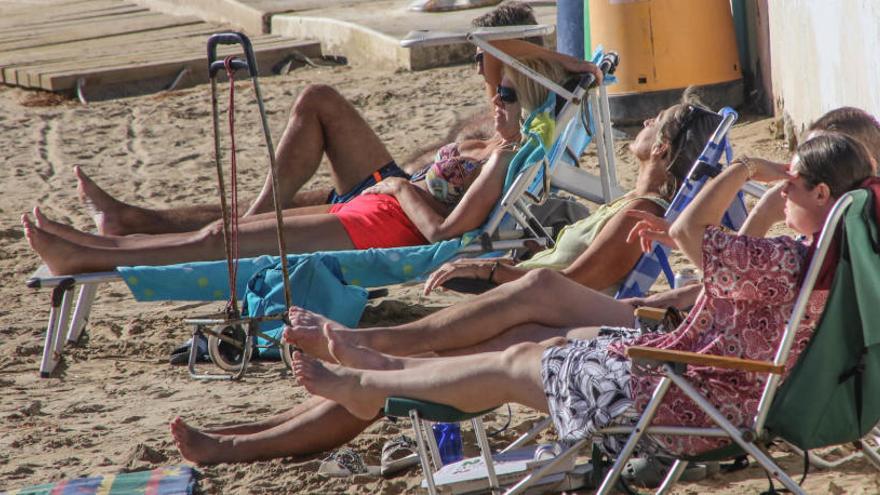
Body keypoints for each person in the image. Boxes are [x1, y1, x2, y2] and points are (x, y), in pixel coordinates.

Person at [165, 94, 724, 465]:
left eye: (655, 122)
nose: (644, 122)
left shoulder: (638, 215)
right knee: (390, 374)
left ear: (665, 149)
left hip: (537, 316)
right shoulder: (629, 204)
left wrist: (489, 268)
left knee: (400, 377)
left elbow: (576, 282)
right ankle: (253, 429)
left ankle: (251, 439)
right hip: (524, 307)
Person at [290, 131, 876, 460]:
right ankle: (378, 375)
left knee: (519, 357)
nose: (782, 185)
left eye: (793, 181)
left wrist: (746, 168)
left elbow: (691, 231)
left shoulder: (793, 261)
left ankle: (374, 383)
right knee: (522, 349)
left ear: (823, 193)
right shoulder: (827, 263)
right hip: (709, 380)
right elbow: (723, 277)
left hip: (690, 398)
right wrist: (778, 205)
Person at [26, 57, 579, 276]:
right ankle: (93, 247)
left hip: (379, 227)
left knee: (223, 237)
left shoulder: (506, 160)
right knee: (224, 233)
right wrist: (395, 186)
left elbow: (439, 233)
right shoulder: (504, 143)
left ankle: (87, 255)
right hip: (377, 206)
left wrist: (397, 187)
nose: (497, 103)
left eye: (507, 97)